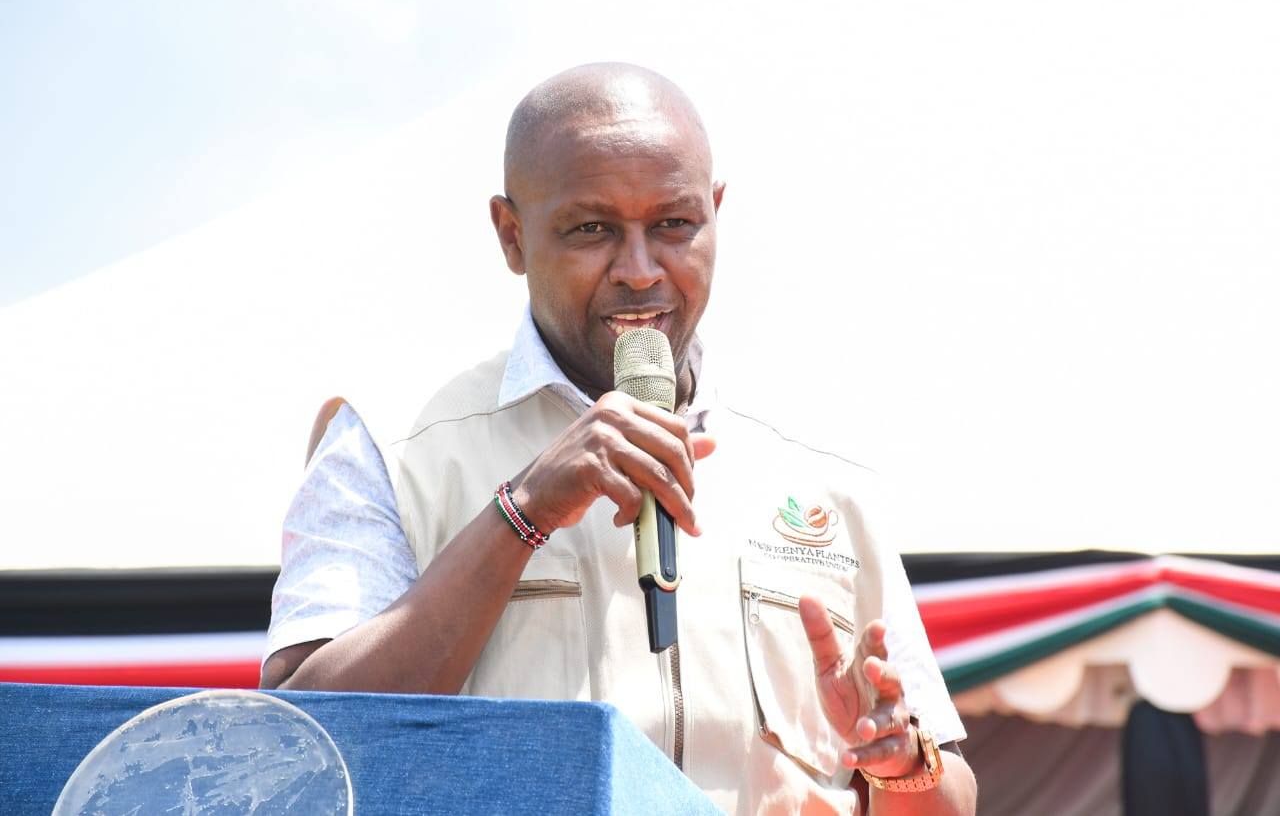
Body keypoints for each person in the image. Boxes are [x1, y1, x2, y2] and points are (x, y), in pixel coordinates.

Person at [261, 63, 978, 815]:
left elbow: (946, 802)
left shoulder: (821, 482)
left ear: (716, 214)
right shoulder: (394, 446)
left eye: (674, 223)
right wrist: (524, 510)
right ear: (513, 235)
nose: (640, 272)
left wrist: (904, 766)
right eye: (592, 228)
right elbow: (294, 751)